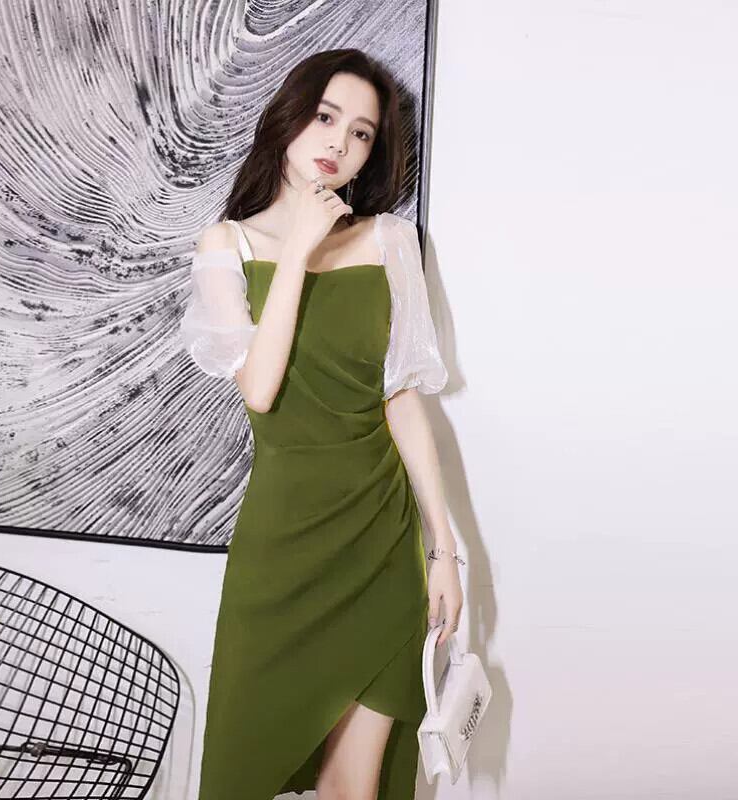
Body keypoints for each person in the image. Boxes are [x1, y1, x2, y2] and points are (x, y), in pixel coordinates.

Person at [180, 48, 464, 800]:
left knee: (352, 789)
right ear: (287, 117)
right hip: (281, 549)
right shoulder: (226, 245)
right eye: (326, 116)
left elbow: (401, 399)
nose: (340, 142)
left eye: (362, 132)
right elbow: (260, 390)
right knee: (241, 774)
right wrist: (299, 248)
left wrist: (444, 550)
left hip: (380, 540)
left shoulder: (391, 242)